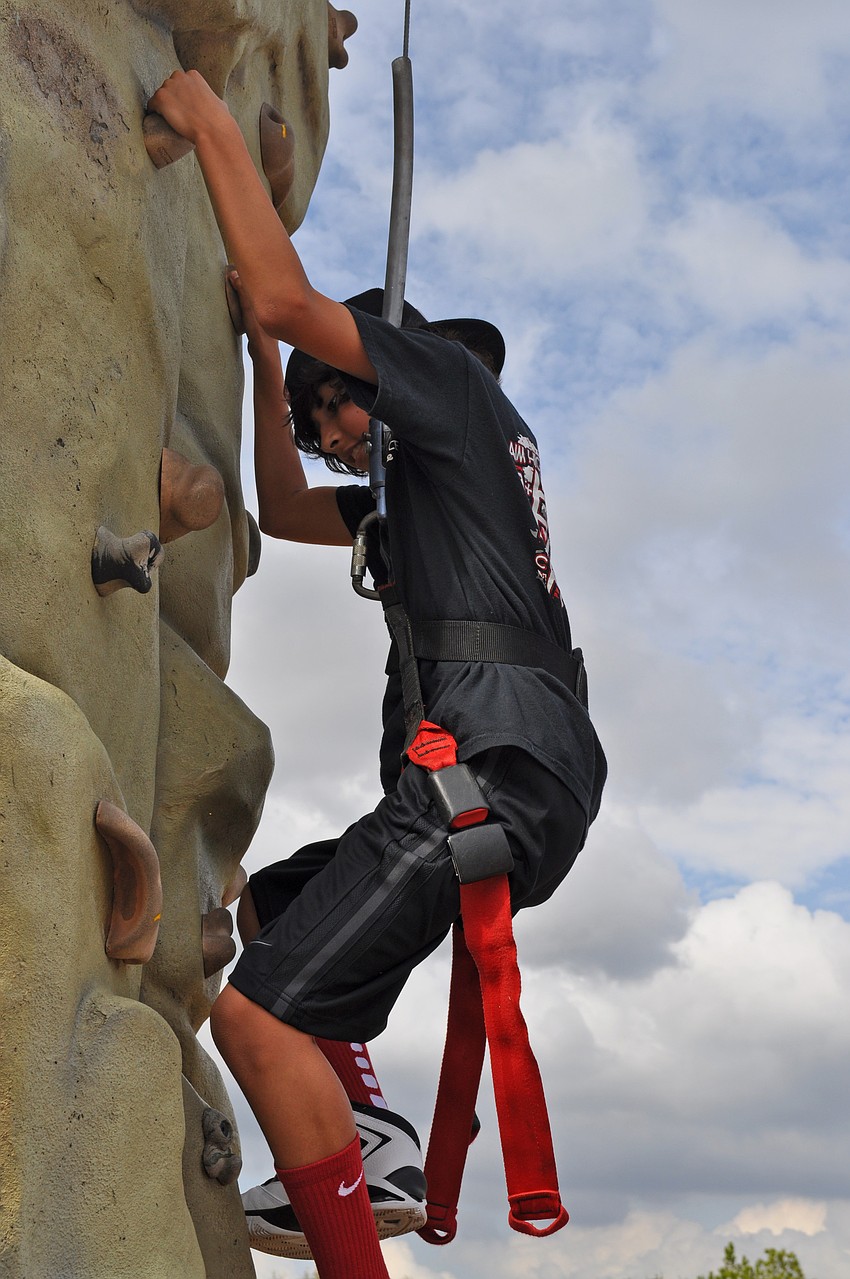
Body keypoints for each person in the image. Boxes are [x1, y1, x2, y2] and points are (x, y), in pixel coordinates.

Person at [149, 69, 607, 1279]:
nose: (333, 438)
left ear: (391, 369)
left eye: (341, 409)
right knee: (271, 910)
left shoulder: (456, 396)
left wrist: (204, 122)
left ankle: (353, 1241)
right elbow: (291, 508)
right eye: (320, 424)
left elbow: (293, 296)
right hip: (492, 780)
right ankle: (363, 1129)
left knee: (251, 1013)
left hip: (490, 774)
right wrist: (264, 362)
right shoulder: (437, 506)